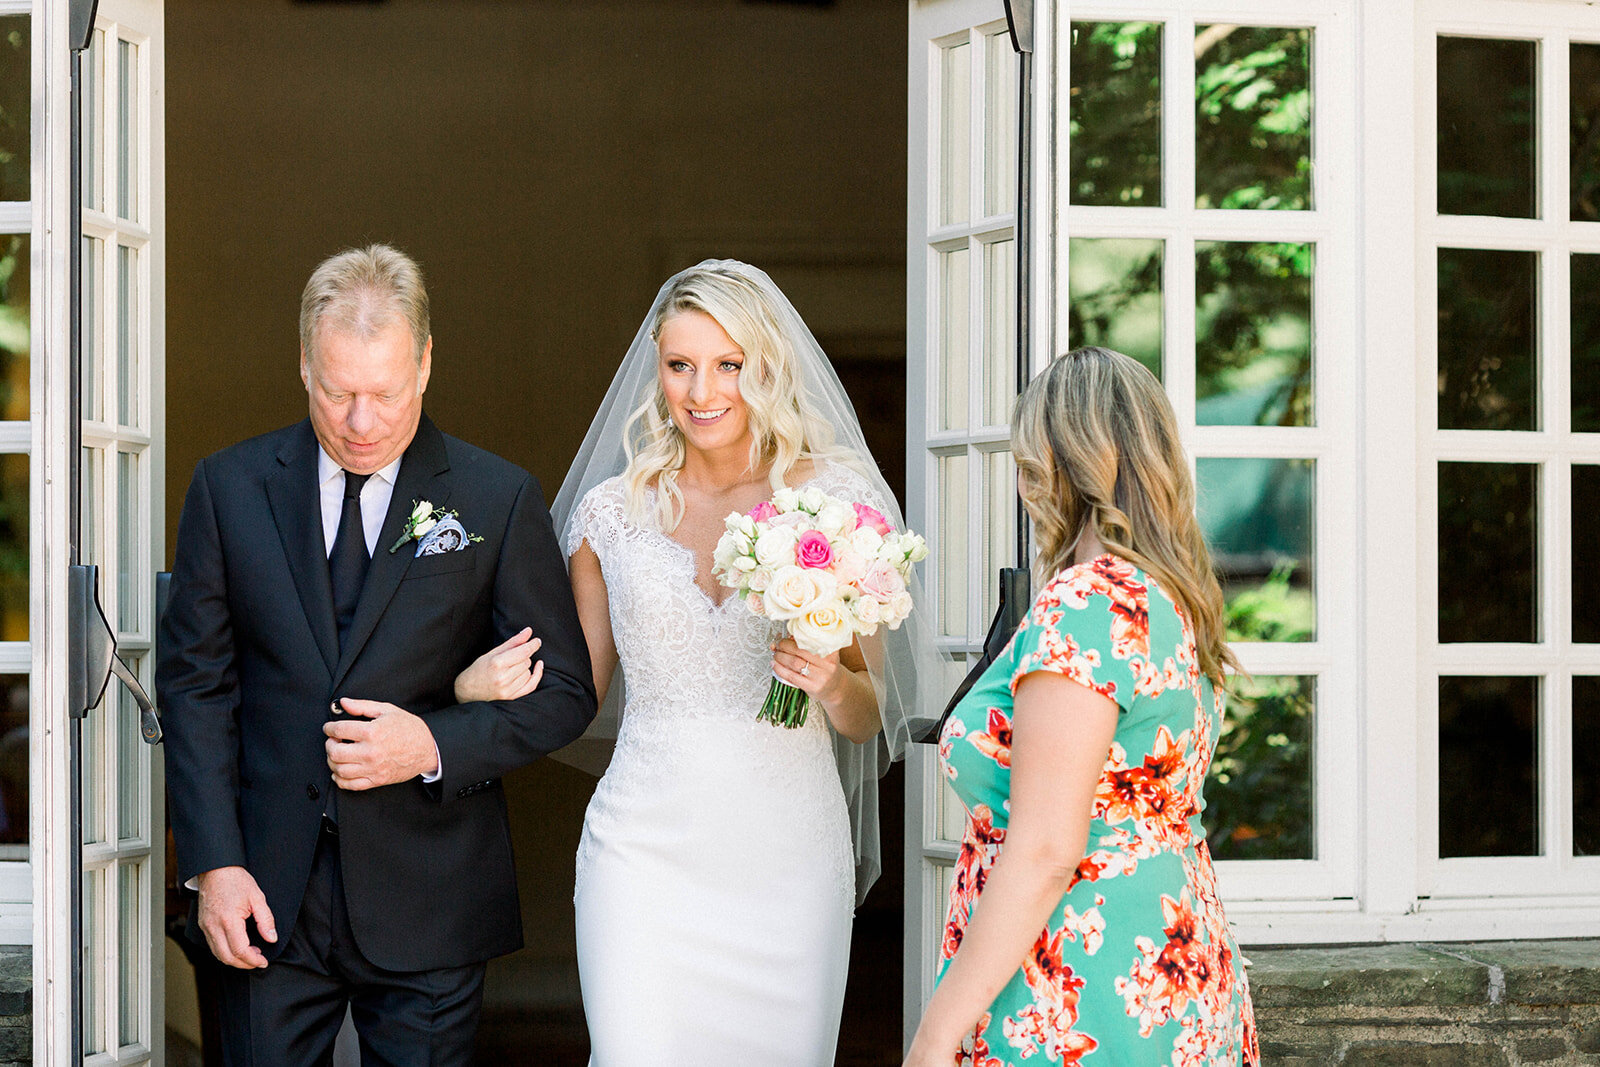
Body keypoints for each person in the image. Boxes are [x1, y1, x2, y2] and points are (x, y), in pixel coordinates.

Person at [458, 260, 941, 1064]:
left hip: (788, 857)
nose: (702, 389)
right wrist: (468, 687)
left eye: (729, 364)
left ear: (768, 367)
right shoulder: (610, 514)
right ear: (657, 365)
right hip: (643, 856)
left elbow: (867, 715)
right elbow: (576, 691)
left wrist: (826, 679)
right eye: (680, 364)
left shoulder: (833, 502)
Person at [156, 244, 596, 1067]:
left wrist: (432, 743)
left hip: (430, 893)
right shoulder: (228, 487)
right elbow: (194, 686)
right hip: (262, 891)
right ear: (303, 365)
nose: (361, 422)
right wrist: (213, 863)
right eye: (338, 391)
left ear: (426, 364)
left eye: (385, 394)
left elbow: (567, 690)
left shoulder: (496, 498)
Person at [904, 347, 1259, 1066]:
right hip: (1167, 960)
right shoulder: (1172, 597)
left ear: (1061, 462)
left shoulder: (1087, 601)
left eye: (1028, 459)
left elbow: (1043, 848)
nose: (1023, 480)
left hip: (1075, 981)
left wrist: (935, 1033)